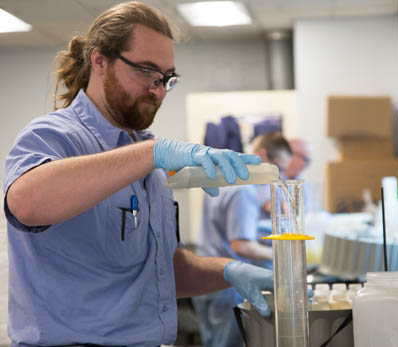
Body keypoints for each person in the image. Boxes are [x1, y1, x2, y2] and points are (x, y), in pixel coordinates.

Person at [2, 2, 272, 346]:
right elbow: (25, 202)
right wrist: (150, 153)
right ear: (99, 61)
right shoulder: (55, 136)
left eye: (165, 78)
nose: (158, 90)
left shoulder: (146, 159)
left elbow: (157, 271)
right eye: (146, 71)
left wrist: (229, 271)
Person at [193, 132, 292, 347]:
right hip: (225, 283)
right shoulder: (244, 190)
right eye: (279, 169)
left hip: (203, 278)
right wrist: (282, 253)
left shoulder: (223, 179)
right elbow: (241, 245)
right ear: (262, 155)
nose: (280, 176)